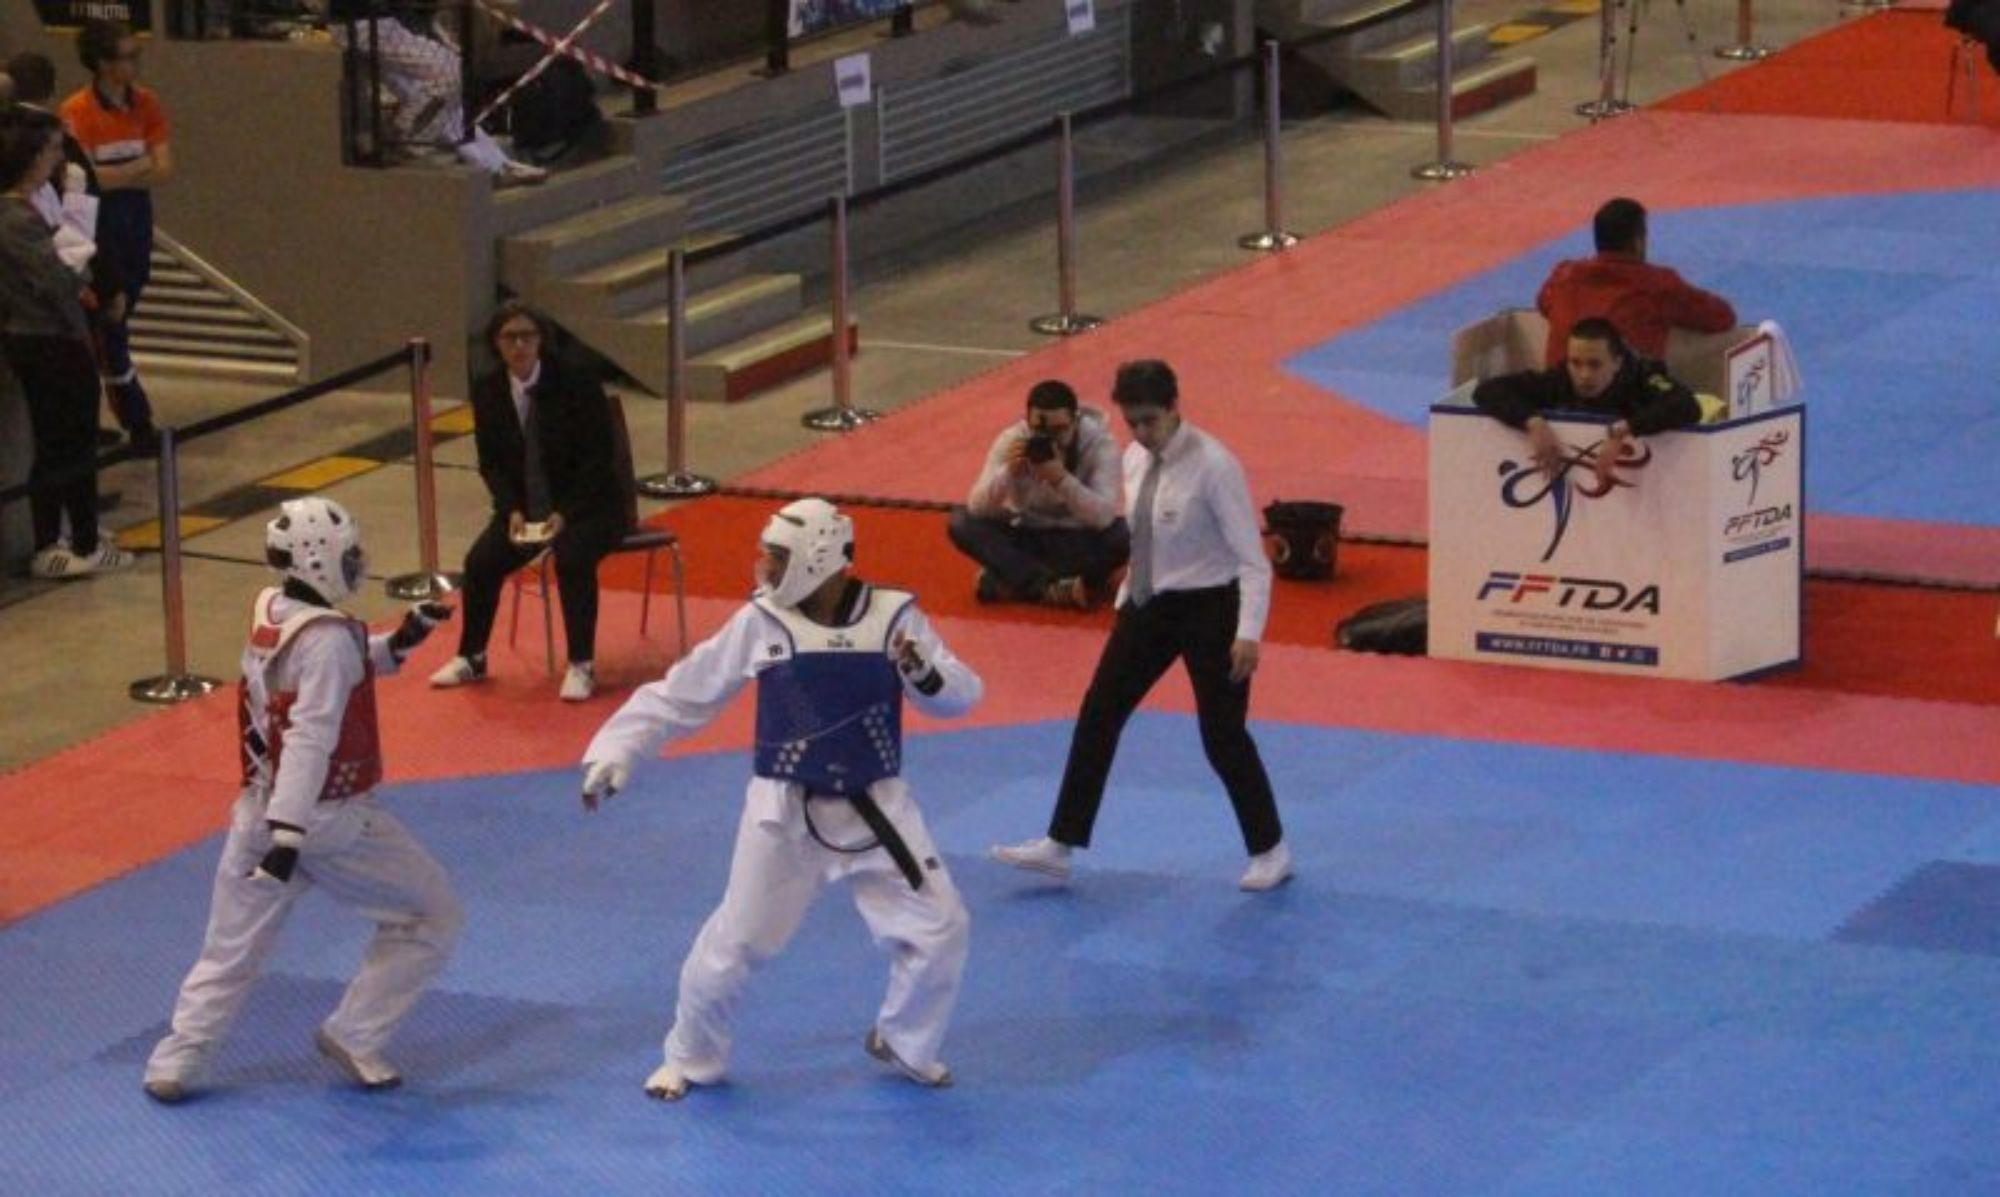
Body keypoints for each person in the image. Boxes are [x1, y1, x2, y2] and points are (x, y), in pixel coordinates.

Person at [579, 497, 983, 1099]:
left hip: (876, 807)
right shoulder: (762, 620)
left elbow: (962, 698)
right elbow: (682, 694)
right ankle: (691, 1057)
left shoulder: (896, 618)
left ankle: (906, 1040)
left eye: (776, 556)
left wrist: (924, 671)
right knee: (734, 944)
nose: (764, 567)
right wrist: (618, 750)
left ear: (816, 559)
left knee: (942, 927)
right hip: (784, 812)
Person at [143, 497, 464, 1103]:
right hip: (327, 820)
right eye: (350, 554)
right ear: (320, 558)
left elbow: (330, 668)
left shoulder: (274, 611)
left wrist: (401, 640)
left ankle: (176, 1060)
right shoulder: (328, 642)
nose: (357, 564)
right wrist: (289, 836)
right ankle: (355, 1032)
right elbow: (310, 737)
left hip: (257, 813)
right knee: (433, 914)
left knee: (228, 950)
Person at [991, 360, 1292, 892]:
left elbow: (1253, 560)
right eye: (1133, 422)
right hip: (1148, 606)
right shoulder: (1133, 458)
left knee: (1222, 736)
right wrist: (1128, 597)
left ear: (1175, 408)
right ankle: (1061, 842)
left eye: (1150, 420)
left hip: (1211, 609)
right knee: (1098, 715)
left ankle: (1270, 849)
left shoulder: (1214, 466)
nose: (1142, 432)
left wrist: (1248, 632)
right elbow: (1142, 537)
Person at [429, 302, 626, 700]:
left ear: (541, 340)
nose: (519, 345)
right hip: (526, 509)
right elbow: (490, 462)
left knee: (571, 558)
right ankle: (472, 656)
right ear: (496, 344)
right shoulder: (488, 389)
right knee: (480, 562)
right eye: (510, 338)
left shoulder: (576, 381)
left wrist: (565, 513)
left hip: (589, 506)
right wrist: (512, 510)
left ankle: (581, 664)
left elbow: (599, 459)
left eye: (527, 336)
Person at [0, 105, 132, 579]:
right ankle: (53, 542)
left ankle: (83, 534)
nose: (59, 159)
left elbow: (73, 255)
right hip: (43, 339)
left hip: (62, 334)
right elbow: (57, 277)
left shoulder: (37, 205)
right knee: (60, 442)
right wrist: (77, 266)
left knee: (76, 439)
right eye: (53, 150)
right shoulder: (14, 219)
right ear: (32, 156)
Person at [60, 19, 168, 453]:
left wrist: (114, 175)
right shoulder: (76, 111)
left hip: (137, 224)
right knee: (110, 325)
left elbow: (164, 169)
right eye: (128, 56)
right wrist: (136, 169)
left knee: (117, 322)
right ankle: (137, 421)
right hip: (100, 227)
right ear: (103, 64)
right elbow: (88, 181)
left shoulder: (147, 103)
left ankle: (93, 418)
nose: (136, 63)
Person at [946, 378, 1129, 609]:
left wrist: (1061, 479)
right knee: (961, 522)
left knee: (1128, 534)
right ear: (1027, 422)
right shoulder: (1013, 440)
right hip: (1029, 533)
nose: (1050, 439)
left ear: (1076, 420)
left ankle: (1011, 579)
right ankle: (1051, 588)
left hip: (1080, 537)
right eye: (1040, 430)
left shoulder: (1100, 444)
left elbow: (1103, 517)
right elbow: (978, 507)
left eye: (1059, 430)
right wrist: (1008, 472)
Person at [326, 1, 548, 185]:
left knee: (440, 96)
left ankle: (495, 164)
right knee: (448, 69)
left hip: (380, 23)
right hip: (361, 25)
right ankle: (405, 134)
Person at [1473, 316, 1704, 489]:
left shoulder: (1641, 378)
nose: (1584, 375)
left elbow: (1687, 405)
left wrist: (1626, 430)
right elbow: (1486, 391)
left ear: (1617, 363)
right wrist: (1532, 421)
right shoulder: (1559, 380)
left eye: (1595, 365)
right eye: (1576, 363)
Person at [1536, 197, 1736, 369]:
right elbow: (1722, 317)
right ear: (1638, 242)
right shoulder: (1657, 285)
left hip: (1556, 395)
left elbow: (1543, 303)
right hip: (1626, 398)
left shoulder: (1564, 276)